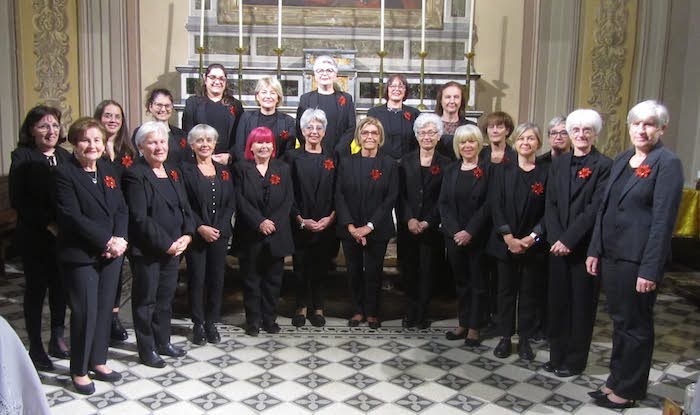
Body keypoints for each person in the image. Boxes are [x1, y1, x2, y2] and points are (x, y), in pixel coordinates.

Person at [586, 100, 683, 409]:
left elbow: (663, 221)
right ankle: (616, 379)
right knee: (619, 321)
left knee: (636, 326)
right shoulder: (623, 159)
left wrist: (650, 269)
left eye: (649, 124)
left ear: (662, 128)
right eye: (636, 123)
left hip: (638, 260)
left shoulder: (667, 163)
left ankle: (629, 389)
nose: (641, 129)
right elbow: (604, 208)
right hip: (612, 255)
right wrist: (595, 249)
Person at [54, 118, 129, 394]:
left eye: (97, 140)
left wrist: (120, 238)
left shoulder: (107, 169)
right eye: (86, 140)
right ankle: (79, 370)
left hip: (111, 254)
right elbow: (71, 217)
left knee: (104, 309)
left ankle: (98, 360)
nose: (92, 145)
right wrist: (106, 240)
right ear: (75, 143)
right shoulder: (64, 174)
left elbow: (121, 208)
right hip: (81, 254)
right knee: (85, 312)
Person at [543, 109, 612, 378]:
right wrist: (555, 238)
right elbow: (550, 203)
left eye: (587, 130)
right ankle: (556, 355)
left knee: (581, 306)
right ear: (570, 134)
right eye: (576, 130)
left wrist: (568, 239)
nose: (581, 135)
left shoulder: (604, 165)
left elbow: (596, 208)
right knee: (557, 304)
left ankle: (574, 361)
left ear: (595, 134)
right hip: (557, 247)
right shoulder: (559, 163)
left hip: (585, 248)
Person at [122, 121, 194, 368]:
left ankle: (163, 342)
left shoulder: (173, 171)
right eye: (152, 142)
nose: (159, 147)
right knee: (146, 301)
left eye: (162, 141)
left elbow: (185, 207)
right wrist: (167, 244)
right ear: (141, 147)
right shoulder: (135, 174)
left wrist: (188, 234)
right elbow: (139, 218)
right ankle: (147, 348)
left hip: (175, 248)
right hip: (149, 250)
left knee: (165, 299)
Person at [9, 105, 70, 371]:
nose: (51, 131)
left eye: (55, 125)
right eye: (44, 126)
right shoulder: (22, 157)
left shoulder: (65, 156)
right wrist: (48, 224)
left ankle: (57, 338)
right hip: (35, 236)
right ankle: (35, 346)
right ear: (32, 130)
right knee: (36, 291)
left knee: (60, 289)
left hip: (63, 237)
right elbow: (19, 200)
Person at [487, 122, 548, 361]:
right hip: (505, 243)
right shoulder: (502, 171)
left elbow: (549, 211)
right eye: (522, 138)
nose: (525, 142)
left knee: (529, 293)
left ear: (538, 143)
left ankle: (524, 338)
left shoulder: (545, 173)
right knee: (505, 292)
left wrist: (532, 237)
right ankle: (505, 337)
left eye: (531, 138)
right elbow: (496, 205)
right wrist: (509, 237)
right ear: (515, 142)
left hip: (533, 245)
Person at [335, 117, 398, 329]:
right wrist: (351, 227)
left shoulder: (389, 163)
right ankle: (358, 310)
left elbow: (390, 198)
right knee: (353, 271)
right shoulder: (346, 162)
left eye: (374, 133)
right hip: (350, 228)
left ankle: (372, 311)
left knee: (374, 271)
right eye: (365, 132)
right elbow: (339, 195)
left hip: (377, 228)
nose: (369, 136)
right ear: (359, 137)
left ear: (380, 137)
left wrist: (369, 226)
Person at [231, 127, 294, 336]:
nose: (264, 146)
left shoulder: (283, 168)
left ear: (273, 146)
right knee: (251, 280)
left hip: (277, 233)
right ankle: (253, 321)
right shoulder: (240, 168)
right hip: (250, 234)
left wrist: (272, 222)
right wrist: (259, 222)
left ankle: (269, 319)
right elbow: (239, 199)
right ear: (251, 146)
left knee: (273, 281)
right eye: (259, 142)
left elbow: (288, 199)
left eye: (268, 142)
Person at [181, 124, 236, 345]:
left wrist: (219, 228)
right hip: (197, 235)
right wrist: (200, 227)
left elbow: (230, 202)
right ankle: (198, 323)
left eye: (209, 140)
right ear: (192, 145)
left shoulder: (224, 171)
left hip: (219, 234)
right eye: (200, 140)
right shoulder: (185, 170)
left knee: (216, 278)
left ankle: (211, 322)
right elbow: (184, 203)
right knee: (197, 279)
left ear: (215, 144)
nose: (205, 144)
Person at [439, 124, 491, 345]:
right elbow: (443, 203)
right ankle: (463, 322)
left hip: (478, 236)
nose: (467, 146)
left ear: (478, 144)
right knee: (461, 282)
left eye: (471, 141)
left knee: (478, 282)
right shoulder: (451, 169)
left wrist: (470, 231)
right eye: (463, 142)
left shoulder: (488, 170)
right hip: (454, 237)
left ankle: (475, 327)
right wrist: (455, 231)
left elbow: (488, 205)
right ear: (457, 146)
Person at [284, 109, 337, 328]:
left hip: (326, 222)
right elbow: (287, 192)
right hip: (299, 222)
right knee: (301, 267)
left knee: (321, 266)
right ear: (302, 130)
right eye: (309, 127)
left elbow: (339, 190)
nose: (314, 131)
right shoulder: (291, 157)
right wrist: (300, 219)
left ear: (324, 131)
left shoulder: (333, 156)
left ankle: (318, 308)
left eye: (319, 127)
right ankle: (301, 306)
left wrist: (330, 218)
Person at [398, 113, 449, 329]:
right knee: (409, 269)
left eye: (431, 132)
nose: (427, 136)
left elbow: (444, 198)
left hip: (432, 228)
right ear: (416, 135)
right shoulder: (404, 161)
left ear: (439, 136)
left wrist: (428, 221)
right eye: (422, 132)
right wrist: (409, 218)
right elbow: (399, 195)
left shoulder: (446, 164)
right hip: (407, 227)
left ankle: (422, 312)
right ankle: (410, 310)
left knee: (428, 271)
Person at [93, 99, 135, 342]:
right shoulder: (92, 148)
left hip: (123, 218)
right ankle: (98, 318)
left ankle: (113, 318)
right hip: (99, 219)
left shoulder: (127, 151)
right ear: (99, 118)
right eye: (108, 115)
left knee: (117, 271)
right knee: (98, 270)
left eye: (117, 116)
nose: (112, 120)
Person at [182, 63, 244, 165]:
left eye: (221, 78)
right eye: (213, 77)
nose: (217, 82)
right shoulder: (193, 103)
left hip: (227, 163)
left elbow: (240, 136)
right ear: (205, 79)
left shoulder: (235, 104)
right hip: (199, 161)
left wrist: (230, 155)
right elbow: (188, 134)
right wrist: (202, 155)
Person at [296, 55, 356, 156]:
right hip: (312, 154)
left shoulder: (346, 98)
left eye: (329, 70)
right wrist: (312, 148)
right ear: (315, 75)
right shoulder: (306, 99)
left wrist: (338, 150)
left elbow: (351, 128)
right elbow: (299, 127)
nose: (324, 74)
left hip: (340, 155)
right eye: (320, 70)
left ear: (335, 74)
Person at [235, 76, 296, 161]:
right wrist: (252, 167)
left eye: (272, 93)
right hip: (248, 166)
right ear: (257, 96)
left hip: (278, 167)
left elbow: (288, 153)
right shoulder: (246, 118)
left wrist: (272, 167)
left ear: (278, 98)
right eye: (264, 92)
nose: (268, 96)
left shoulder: (288, 121)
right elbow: (239, 149)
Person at [367, 74, 421, 160]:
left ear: (405, 90)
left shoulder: (414, 113)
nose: (397, 89)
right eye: (393, 86)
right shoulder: (374, 113)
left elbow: (418, 141)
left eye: (401, 86)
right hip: (380, 162)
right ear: (387, 89)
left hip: (407, 163)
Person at [132, 89, 190, 165]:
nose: (163, 109)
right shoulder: (141, 133)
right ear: (150, 106)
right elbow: (135, 160)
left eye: (167, 106)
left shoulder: (180, 134)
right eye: (159, 105)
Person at [434, 81, 476, 159]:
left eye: (456, 97)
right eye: (448, 97)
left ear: (461, 101)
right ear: (440, 100)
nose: (452, 101)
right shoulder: (431, 125)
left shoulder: (471, 126)